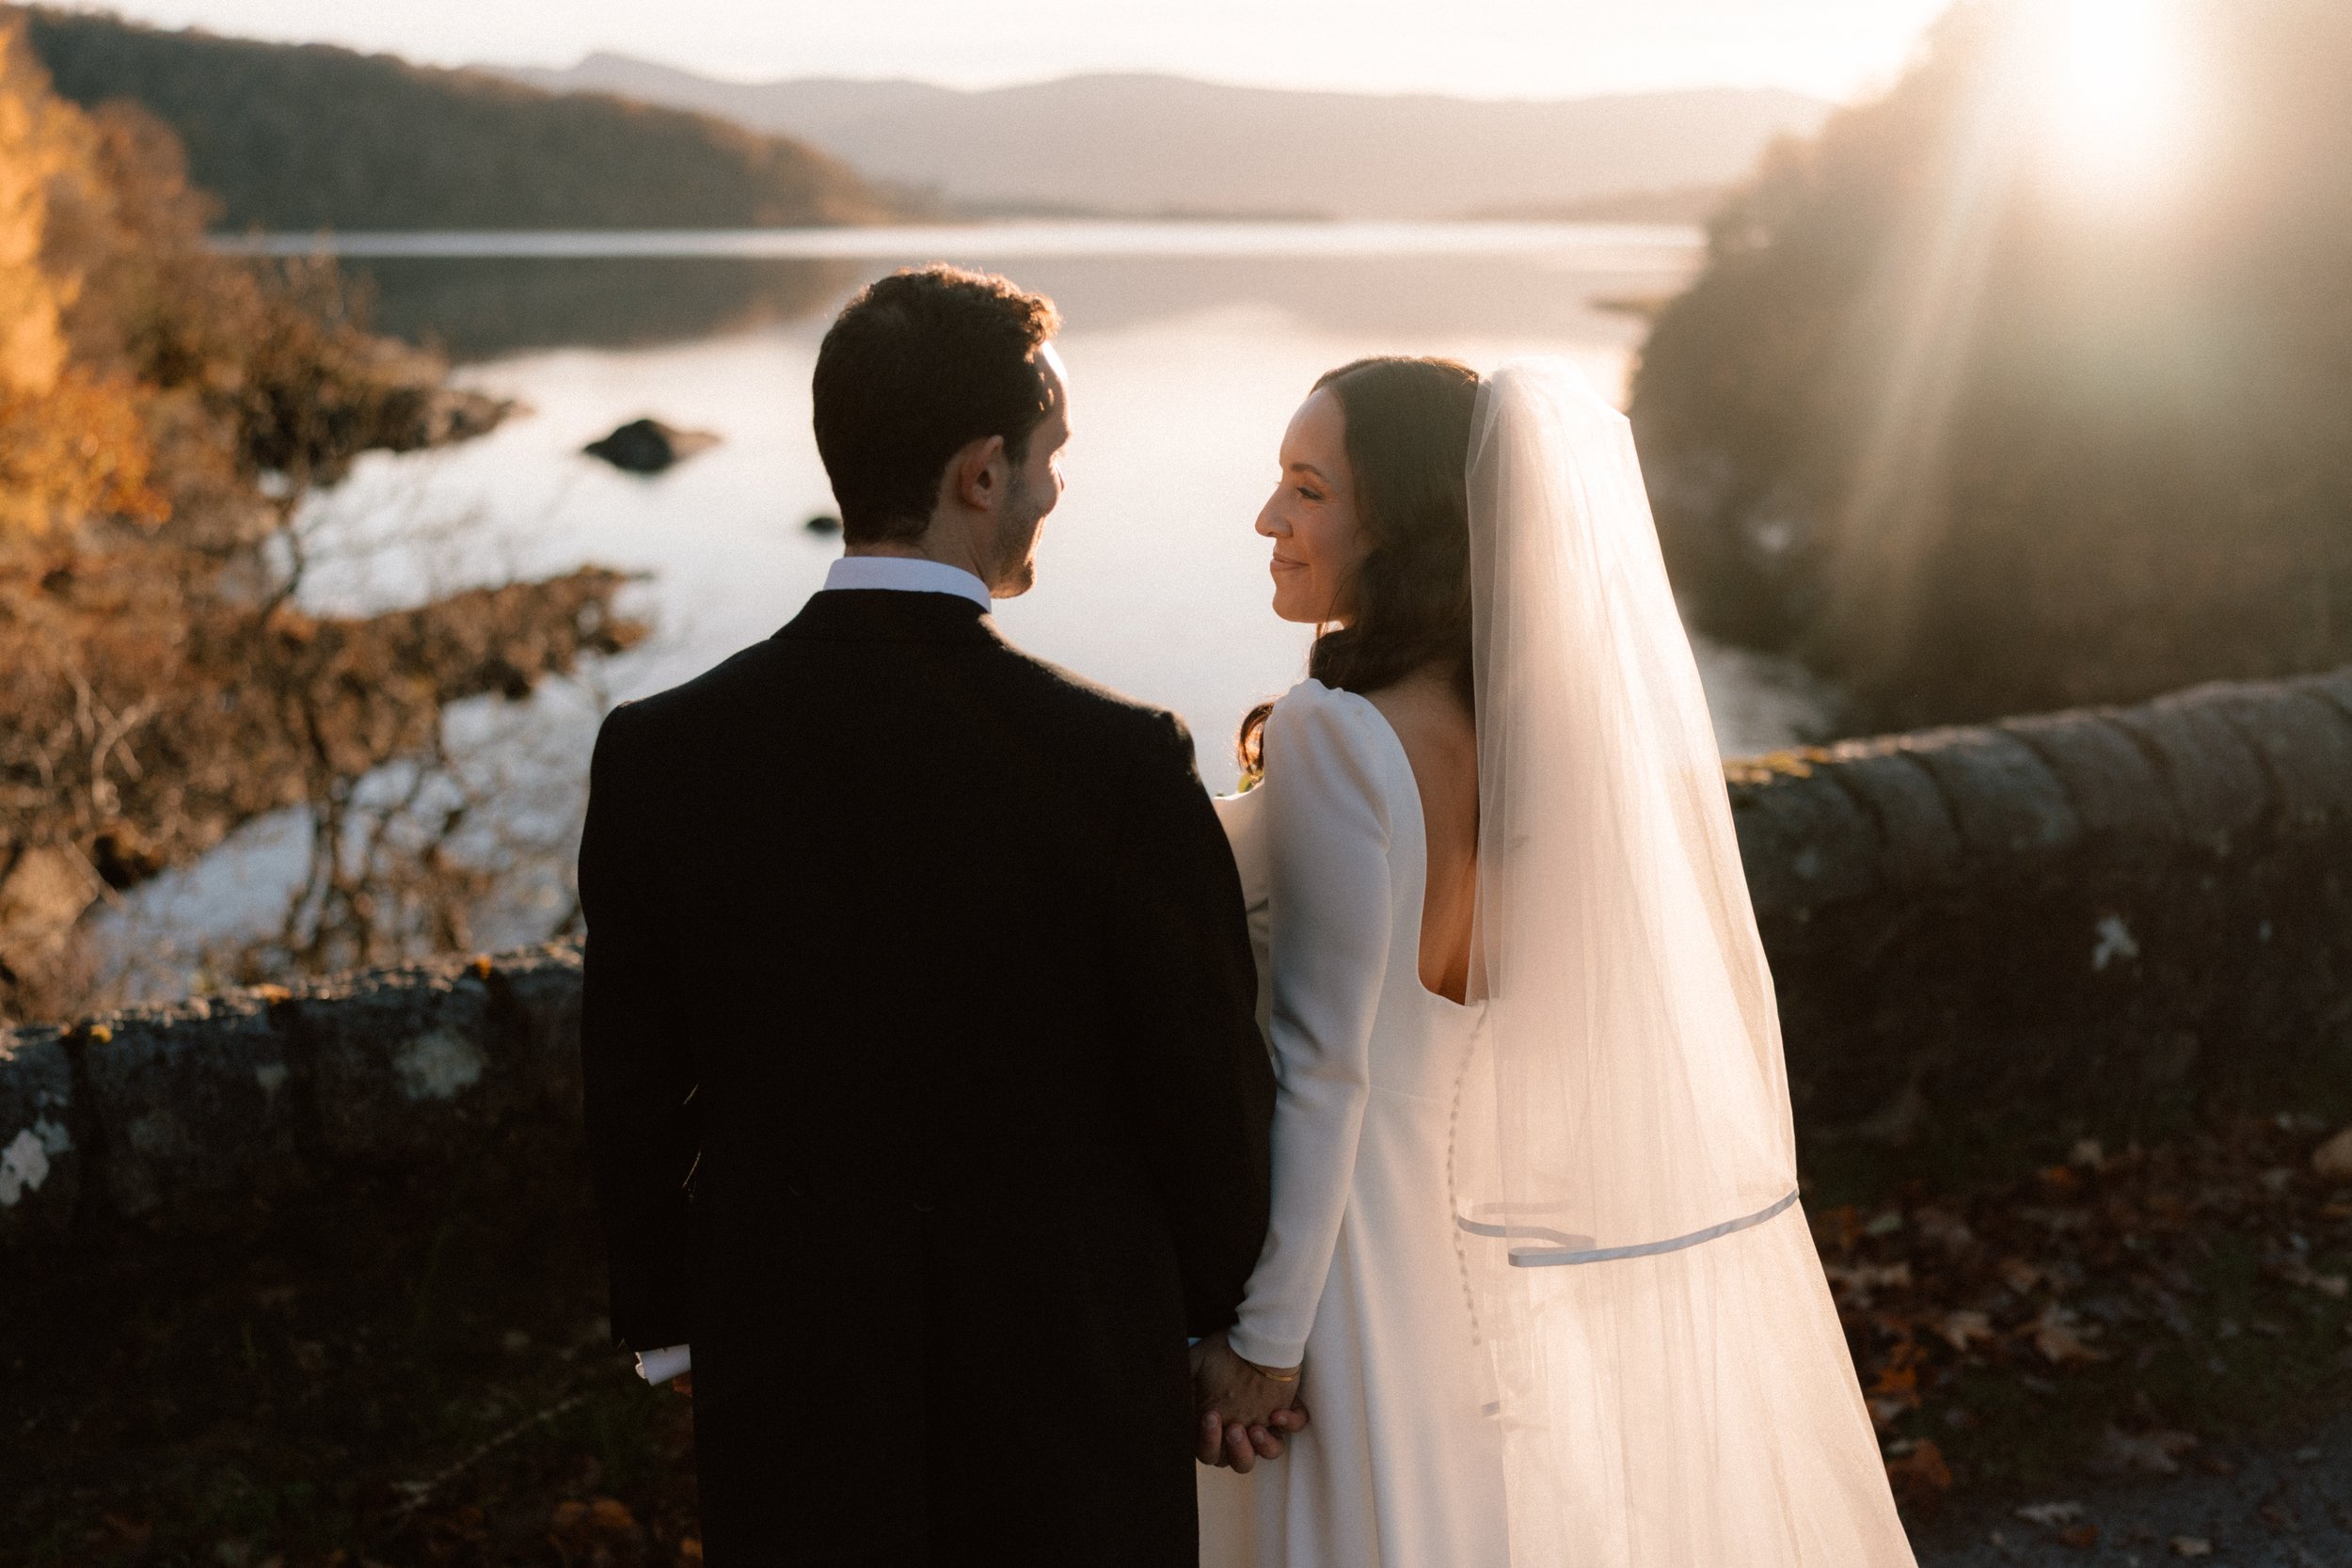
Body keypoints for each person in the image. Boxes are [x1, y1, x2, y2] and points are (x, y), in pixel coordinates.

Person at [579, 265, 1277, 1565]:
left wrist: (674, 1321)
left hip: (784, 1367)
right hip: (1072, 1374)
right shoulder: (1121, 759)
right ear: (980, 474)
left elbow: (628, 1071)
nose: (1057, 486)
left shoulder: (661, 752)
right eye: (1047, 454)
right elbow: (1203, 1078)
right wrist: (1227, 1326)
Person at [1195, 356, 1916, 1567]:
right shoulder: (1536, 739)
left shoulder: (1335, 732)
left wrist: (1266, 1340)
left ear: (1405, 524)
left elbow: (1330, 1071)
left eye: (1307, 489)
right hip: (1461, 1245)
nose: (1269, 520)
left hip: (1339, 1258)